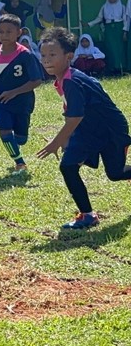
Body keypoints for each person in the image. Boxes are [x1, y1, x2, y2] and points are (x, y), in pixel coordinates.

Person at [35, 27, 131, 230]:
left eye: (52, 55)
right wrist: (69, 140)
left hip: (110, 131)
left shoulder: (72, 81)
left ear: (69, 56)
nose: (46, 60)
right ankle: (88, 215)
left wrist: (56, 142)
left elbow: (75, 117)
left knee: (115, 173)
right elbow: (75, 114)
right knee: (68, 166)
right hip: (87, 129)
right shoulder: (65, 78)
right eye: (43, 55)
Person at [0, 14, 44, 176]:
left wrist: (14, 92)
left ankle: (16, 147)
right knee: (4, 132)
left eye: (8, 32)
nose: (4, 36)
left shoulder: (25, 55)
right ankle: (20, 163)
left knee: (21, 139)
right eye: (0, 32)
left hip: (22, 101)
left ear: (18, 33)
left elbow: (37, 80)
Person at [88, 0, 125, 75]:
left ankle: (120, 67)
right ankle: (112, 68)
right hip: (109, 29)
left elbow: (125, 19)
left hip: (119, 28)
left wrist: (125, 30)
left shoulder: (122, 7)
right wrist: (89, 24)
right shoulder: (105, 7)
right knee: (110, 48)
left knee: (119, 48)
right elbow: (99, 18)